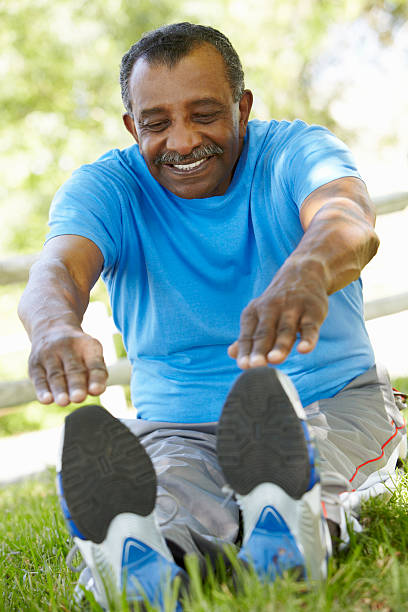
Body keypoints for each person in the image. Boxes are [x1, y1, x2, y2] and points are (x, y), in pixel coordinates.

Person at [18, 22, 406, 611]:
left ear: (242, 107)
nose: (182, 141)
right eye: (157, 123)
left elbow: (347, 221)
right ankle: (138, 553)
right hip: (178, 423)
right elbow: (59, 271)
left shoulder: (296, 151)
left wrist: (306, 272)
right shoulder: (107, 187)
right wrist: (54, 327)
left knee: (312, 464)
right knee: (169, 493)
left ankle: (292, 521)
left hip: (328, 396)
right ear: (132, 126)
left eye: (204, 114)